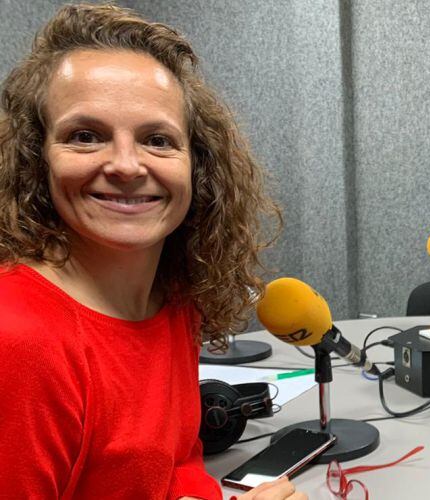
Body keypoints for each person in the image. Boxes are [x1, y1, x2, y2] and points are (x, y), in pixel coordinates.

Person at [0, 4, 302, 499]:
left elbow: (176, 469)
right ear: (38, 160)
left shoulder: (174, 296)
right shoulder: (18, 342)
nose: (125, 164)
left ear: (197, 167)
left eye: (157, 140)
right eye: (85, 136)